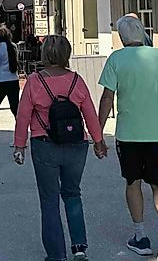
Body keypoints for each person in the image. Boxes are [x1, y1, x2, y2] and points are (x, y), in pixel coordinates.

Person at [97, 15, 158, 261]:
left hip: (129, 135)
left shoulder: (116, 59)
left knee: (133, 182)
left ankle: (140, 236)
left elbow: (107, 98)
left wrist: (98, 133)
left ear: (122, 37)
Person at [14, 35, 106, 261]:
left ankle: (56, 255)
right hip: (77, 145)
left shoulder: (35, 81)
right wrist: (98, 141)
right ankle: (80, 247)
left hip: (45, 144)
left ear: (44, 54)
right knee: (73, 193)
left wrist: (19, 145)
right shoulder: (77, 80)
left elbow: (23, 115)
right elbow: (90, 114)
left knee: (49, 200)